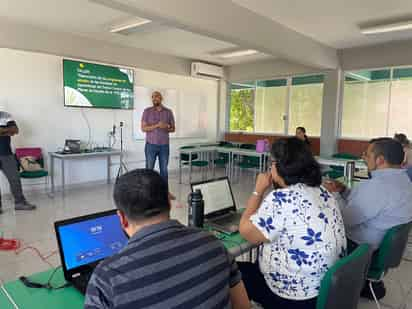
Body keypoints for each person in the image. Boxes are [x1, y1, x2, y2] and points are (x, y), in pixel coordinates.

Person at [84, 169, 250, 309]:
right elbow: (243, 306)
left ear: (122, 218)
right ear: (169, 203)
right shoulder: (214, 244)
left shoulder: (106, 278)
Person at [238, 137, 346, 309]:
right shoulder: (324, 191)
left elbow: (245, 231)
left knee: (231, 271)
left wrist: (258, 190)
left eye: (271, 163)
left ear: (279, 166)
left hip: (294, 298)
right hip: (326, 289)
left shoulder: (281, 199)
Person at [324, 137, 412, 299]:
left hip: (360, 249)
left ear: (380, 160)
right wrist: (343, 190)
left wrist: (334, 194)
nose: (363, 158)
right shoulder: (403, 180)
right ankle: (364, 283)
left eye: (367, 154)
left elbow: (344, 220)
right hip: (381, 246)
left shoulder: (378, 186)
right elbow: (368, 205)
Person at [0, 111, 36, 214]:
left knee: (15, 178)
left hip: (6, 153)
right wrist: (6, 131)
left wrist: (3, 130)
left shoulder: (5, 116)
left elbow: (15, 130)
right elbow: (10, 131)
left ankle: (20, 203)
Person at [141, 91, 175, 186]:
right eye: (153, 97)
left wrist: (166, 127)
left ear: (161, 98)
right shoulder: (147, 111)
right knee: (149, 170)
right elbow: (143, 128)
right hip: (150, 146)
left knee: (164, 170)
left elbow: (173, 129)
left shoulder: (168, 112)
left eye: (156, 96)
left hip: (164, 146)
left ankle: (164, 192)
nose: (154, 98)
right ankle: (147, 191)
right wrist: (157, 125)